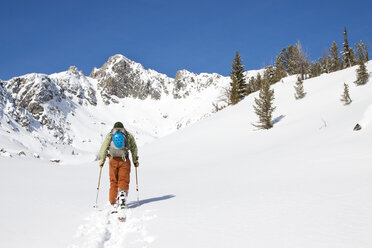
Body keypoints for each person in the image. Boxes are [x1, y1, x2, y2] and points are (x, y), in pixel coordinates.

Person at [99, 121, 139, 208]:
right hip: (124, 160)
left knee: (113, 181)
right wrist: (135, 161)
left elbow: (104, 148)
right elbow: (134, 148)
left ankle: (113, 201)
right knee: (123, 179)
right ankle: (122, 194)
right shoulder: (128, 135)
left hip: (112, 160)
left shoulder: (110, 135)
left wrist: (102, 160)